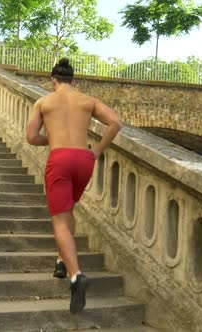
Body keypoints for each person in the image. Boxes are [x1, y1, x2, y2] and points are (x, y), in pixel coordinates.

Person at [26, 58, 122, 313]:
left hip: (60, 159)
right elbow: (116, 122)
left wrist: (52, 139)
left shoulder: (44, 102)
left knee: (59, 219)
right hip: (84, 160)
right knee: (68, 210)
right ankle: (61, 261)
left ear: (53, 81)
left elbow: (31, 136)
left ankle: (76, 275)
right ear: (74, 81)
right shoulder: (87, 101)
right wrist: (98, 151)